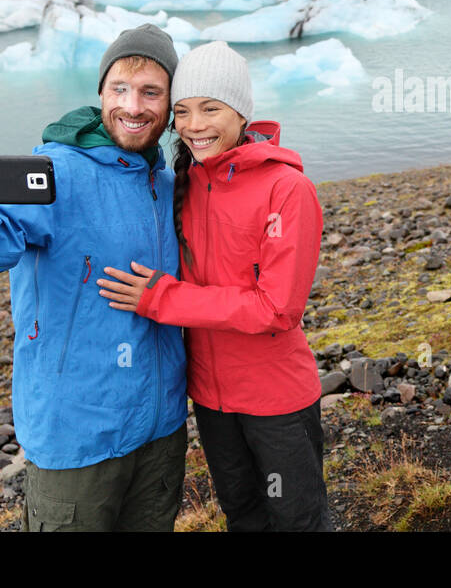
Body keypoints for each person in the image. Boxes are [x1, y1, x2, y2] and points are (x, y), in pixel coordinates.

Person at [0, 24, 189, 531]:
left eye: (151, 92)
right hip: (78, 441)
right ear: (100, 92)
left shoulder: (166, 180)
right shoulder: (55, 173)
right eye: (120, 89)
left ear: (170, 101)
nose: (133, 106)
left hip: (161, 433)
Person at [98, 40, 332, 531]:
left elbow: (276, 309)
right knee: (242, 513)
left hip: (276, 399)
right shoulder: (187, 181)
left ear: (241, 113)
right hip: (211, 397)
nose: (193, 125)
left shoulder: (287, 189)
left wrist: (160, 298)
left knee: (296, 520)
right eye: (181, 111)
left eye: (210, 108)